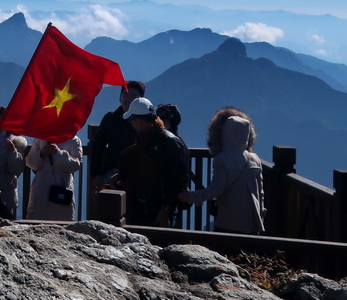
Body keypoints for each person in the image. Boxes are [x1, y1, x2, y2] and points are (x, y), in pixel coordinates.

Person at [179, 108, 265, 234]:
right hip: (251, 221)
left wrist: (193, 196)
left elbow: (216, 189)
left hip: (229, 219)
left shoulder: (222, 159)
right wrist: (261, 213)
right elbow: (260, 192)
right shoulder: (255, 159)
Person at [114, 97, 188, 227]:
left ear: (138, 120)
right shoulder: (153, 139)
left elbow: (177, 178)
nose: (131, 124)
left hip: (160, 208)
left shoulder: (167, 142)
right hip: (143, 206)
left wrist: (166, 207)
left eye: (132, 120)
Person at [90, 80, 145, 190]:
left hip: (138, 176)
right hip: (110, 174)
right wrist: (96, 174)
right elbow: (98, 147)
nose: (128, 98)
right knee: (111, 206)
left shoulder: (145, 120)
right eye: (125, 94)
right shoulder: (110, 118)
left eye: (134, 95)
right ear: (120, 97)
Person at [24, 135, 83, 221]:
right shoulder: (40, 139)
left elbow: (76, 165)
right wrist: (41, 154)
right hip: (41, 187)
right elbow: (31, 163)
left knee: (62, 219)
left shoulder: (74, 140)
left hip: (63, 185)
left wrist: (58, 153)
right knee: (37, 218)